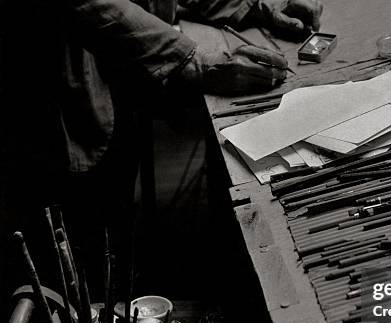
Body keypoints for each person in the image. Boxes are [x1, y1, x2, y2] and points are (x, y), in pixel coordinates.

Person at [0, 0, 323, 305]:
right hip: (48, 98)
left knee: (114, 219)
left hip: (114, 74)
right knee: (66, 260)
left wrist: (249, 5)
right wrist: (191, 60)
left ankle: (120, 293)